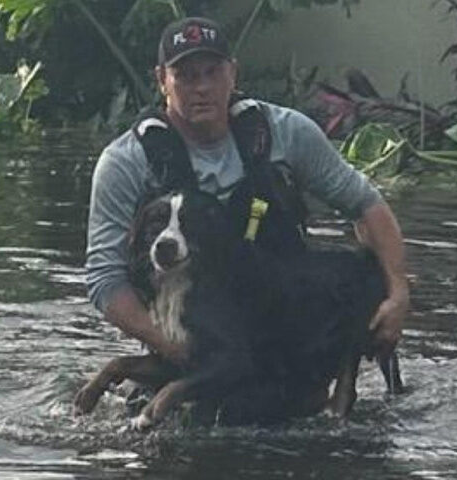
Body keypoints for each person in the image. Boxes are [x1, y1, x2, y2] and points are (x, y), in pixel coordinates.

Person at [85, 17, 409, 368]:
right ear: (162, 80)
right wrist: (182, 350)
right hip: (183, 332)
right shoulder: (124, 162)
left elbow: (366, 206)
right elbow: (105, 279)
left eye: (212, 72)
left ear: (233, 74)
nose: (202, 88)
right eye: (187, 76)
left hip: (283, 318)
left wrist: (397, 292)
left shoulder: (288, 132)